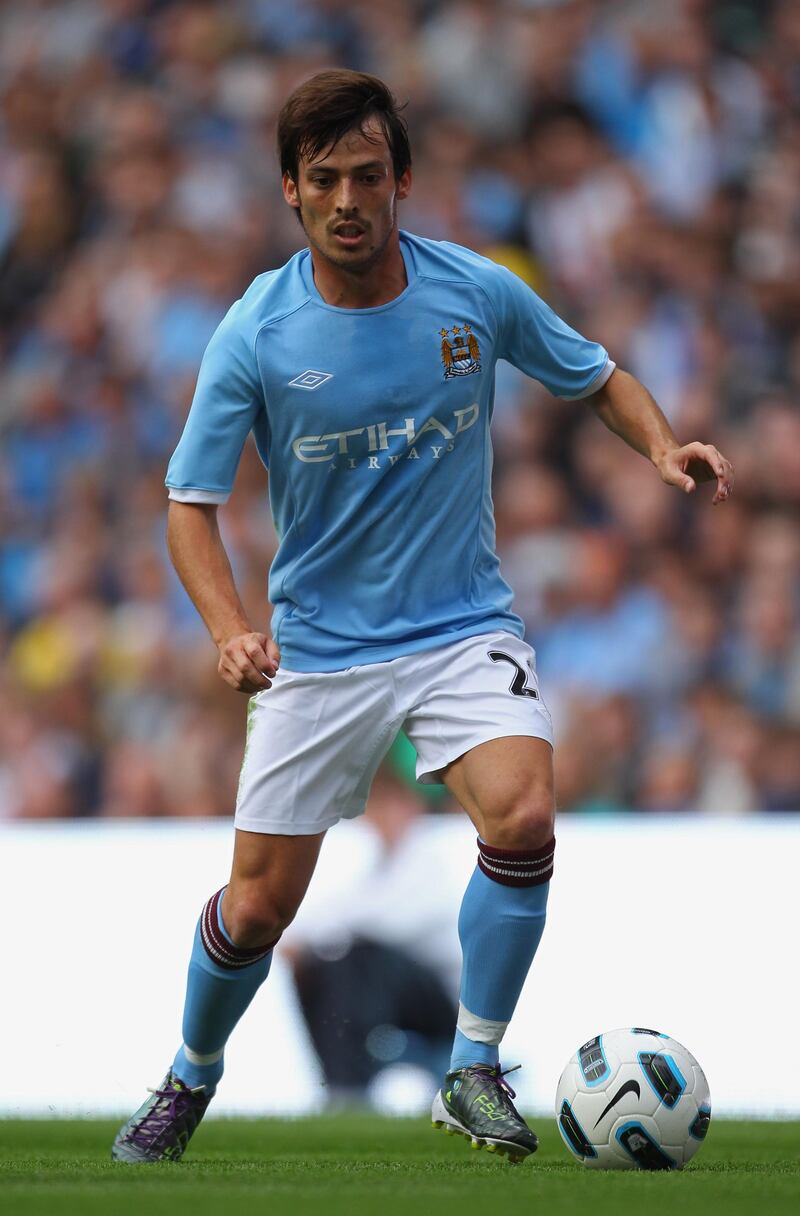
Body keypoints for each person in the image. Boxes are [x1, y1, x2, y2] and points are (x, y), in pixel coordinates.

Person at [111, 70, 733, 1164]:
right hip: (317, 654)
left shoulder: (474, 293)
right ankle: (188, 1075)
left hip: (459, 630)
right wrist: (226, 627)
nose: (347, 199)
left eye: (366, 175)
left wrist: (659, 444)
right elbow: (188, 511)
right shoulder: (255, 332)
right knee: (256, 910)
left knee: (524, 816)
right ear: (291, 195)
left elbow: (594, 375)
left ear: (402, 181)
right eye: (323, 181)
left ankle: (471, 1065)